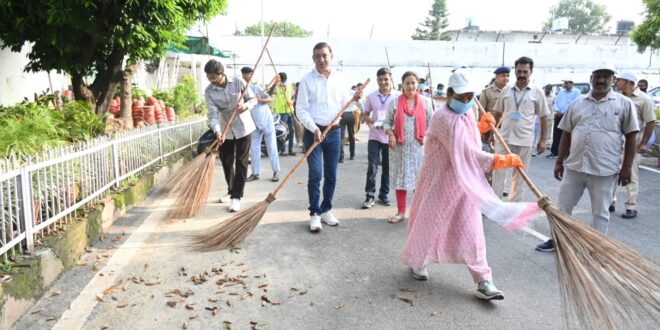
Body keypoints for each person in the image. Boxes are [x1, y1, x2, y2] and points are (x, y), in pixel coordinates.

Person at [402, 69, 539, 300]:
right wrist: (498, 160)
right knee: (428, 223)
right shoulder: (442, 117)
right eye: (461, 97)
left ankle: (484, 280)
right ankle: (418, 261)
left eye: (469, 96)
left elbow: (466, 134)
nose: (466, 101)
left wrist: (480, 127)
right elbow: (465, 152)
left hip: (464, 183)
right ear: (449, 94)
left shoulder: (465, 112)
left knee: (472, 231)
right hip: (439, 181)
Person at [536, 65, 639, 252]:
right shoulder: (578, 103)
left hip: (604, 169)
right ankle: (558, 240)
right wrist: (559, 161)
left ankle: (596, 248)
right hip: (575, 166)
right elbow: (566, 133)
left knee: (600, 212)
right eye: (598, 76)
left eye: (606, 77)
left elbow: (631, 136)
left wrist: (627, 168)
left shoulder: (624, 104)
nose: (601, 80)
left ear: (613, 79)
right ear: (591, 78)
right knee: (564, 206)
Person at [296, 42, 363, 233]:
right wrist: (313, 127)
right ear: (313, 58)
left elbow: (345, 105)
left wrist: (354, 98)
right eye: (317, 56)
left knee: (331, 175)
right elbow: (300, 109)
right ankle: (314, 214)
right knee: (316, 174)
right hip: (313, 133)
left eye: (324, 55)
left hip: (334, 132)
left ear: (331, 56)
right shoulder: (307, 80)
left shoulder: (339, 79)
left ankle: (326, 209)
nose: (321, 59)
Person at [492, 56, 551, 202]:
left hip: (525, 140)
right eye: (519, 71)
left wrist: (543, 140)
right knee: (498, 172)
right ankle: (495, 204)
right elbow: (498, 113)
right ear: (515, 71)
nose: (522, 74)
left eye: (525, 71)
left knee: (519, 175)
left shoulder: (537, 92)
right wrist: (492, 132)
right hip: (504, 138)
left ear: (531, 72)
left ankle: (514, 206)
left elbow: (544, 117)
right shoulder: (506, 90)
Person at [204, 60, 257, 212]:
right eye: (209, 78)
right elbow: (212, 114)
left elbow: (253, 99)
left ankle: (236, 197)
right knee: (227, 162)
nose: (212, 81)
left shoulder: (238, 81)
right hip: (224, 129)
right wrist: (217, 131)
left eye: (214, 78)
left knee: (241, 162)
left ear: (221, 74)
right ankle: (231, 190)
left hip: (244, 127)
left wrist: (245, 106)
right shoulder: (209, 91)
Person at [383, 71, 433, 224]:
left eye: (413, 83)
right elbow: (386, 123)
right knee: (401, 179)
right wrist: (391, 134)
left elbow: (432, 124)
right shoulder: (394, 103)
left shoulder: (425, 102)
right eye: (407, 83)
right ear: (402, 85)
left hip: (419, 148)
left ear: (417, 84)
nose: (410, 86)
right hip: (400, 148)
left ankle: (419, 212)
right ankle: (401, 212)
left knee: (419, 181)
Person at [610, 72, 656, 219]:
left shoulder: (644, 99)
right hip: (616, 139)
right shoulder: (617, 96)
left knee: (631, 173)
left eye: (619, 80)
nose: (616, 82)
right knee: (611, 171)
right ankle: (610, 201)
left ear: (628, 82)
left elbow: (650, 122)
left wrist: (643, 143)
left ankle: (631, 206)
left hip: (633, 141)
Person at [361, 68, 398, 209]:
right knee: (372, 166)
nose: (383, 82)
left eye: (386, 79)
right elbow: (364, 115)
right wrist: (373, 122)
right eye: (381, 79)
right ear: (377, 80)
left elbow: (401, 116)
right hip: (374, 136)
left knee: (388, 168)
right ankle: (369, 196)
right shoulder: (371, 96)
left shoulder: (397, 96)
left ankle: (384, 195)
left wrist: (391, 127)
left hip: (390, 137)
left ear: (391, 79)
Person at [240, 67, 280, 183]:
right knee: (254, 149)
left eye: (249, 75)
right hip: (254, 124)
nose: (246, 78)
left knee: (272, 147)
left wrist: (259, 100)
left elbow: (269, 99)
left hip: (266, 122)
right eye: (245, 75)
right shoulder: (241, 92)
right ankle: (255, 173)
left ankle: (276, 172)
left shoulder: (256, 88)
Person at [547, 79, 581, 159]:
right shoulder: (561, 92)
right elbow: (556, 102)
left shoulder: (576, 92)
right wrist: (557, 110)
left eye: (566, 83)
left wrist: (565, 113)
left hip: (569, 116)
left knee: (568, 134)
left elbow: (575, 104)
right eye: (564, 83)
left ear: (572, 83)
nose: (565, 85)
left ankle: (568, 153)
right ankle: (554, 152)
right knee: (556, 134)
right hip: (559, 115)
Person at [271, 72, 296, 156]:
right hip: (281, 113)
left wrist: (292, 102)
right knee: (282, 132)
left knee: (291, 130)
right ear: (280, 79)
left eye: (285, 79)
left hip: (290, 111)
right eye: (283, 79)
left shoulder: (290, 86)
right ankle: (283, 150)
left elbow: (292, 97)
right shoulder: (277, 87)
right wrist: (275, 83)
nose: (284, 81)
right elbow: (270, 93)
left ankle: (291, 149)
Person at [339, 85, 359, 162]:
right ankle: (352, 154)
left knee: (341, 136)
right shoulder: (353, 92)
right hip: (351, 114)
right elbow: (358, 101)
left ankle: (341, 157)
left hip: (343, 114)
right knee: (351, 134)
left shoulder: (340, 92)